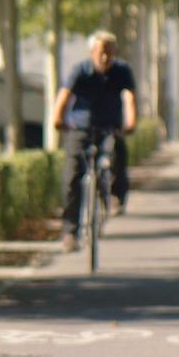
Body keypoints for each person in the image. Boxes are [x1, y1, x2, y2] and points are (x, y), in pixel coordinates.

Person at [51, 30, 137, 252]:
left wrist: (130, 121)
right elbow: (64, 96)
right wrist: (58, 118)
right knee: (72, 175)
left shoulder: (122, 71)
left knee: (119, 153)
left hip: (110, 127)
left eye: (109, 52)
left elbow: (129, 98)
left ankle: (117, 195)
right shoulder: (80, 71)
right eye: (101, 52)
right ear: (92, 52)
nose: (105, 57)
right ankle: (70, 231)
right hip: (81, 128)